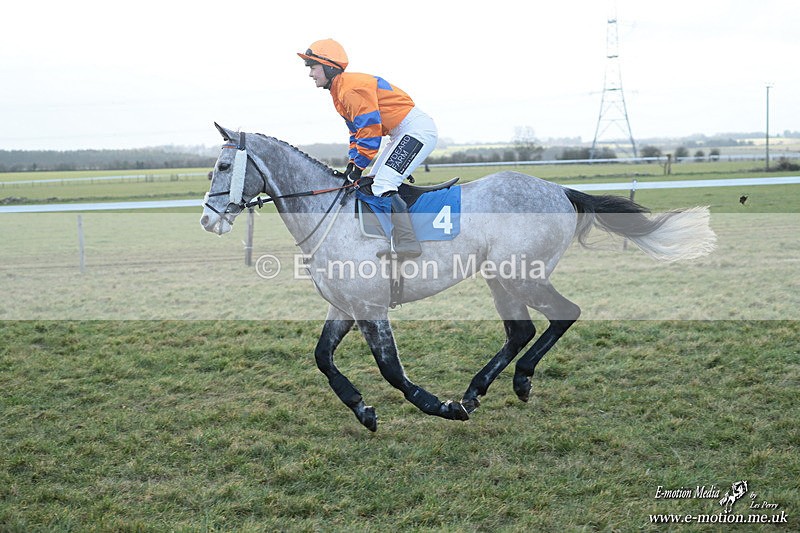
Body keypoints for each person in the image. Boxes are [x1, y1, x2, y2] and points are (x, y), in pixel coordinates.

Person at [298, 39, 438, 258]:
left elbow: (370, 130)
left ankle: (409, 244)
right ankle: (385, 238)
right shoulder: (339, 92)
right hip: (400, 132)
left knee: (384, 183)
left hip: (415, 130)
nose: (310, 74)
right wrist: (353, 163)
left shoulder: (350, 89)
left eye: (313, 68)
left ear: (328, 67)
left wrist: (359, 163)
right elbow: (357, 133)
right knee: (372, 183)